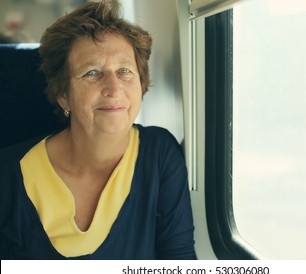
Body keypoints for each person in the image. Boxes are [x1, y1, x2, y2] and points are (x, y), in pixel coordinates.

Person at [0, 0, 196, 260]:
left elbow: (179, 263)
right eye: (92, 73)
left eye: (125, 71)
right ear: (63, 95)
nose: (114, 89)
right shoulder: (8, 173)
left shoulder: (159, 153)